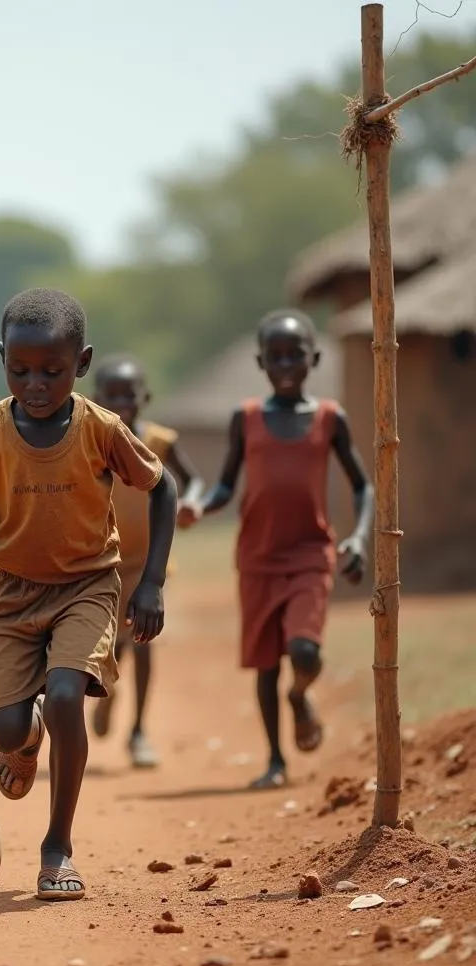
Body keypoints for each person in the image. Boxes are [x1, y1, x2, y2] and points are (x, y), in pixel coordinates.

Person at [0, 287, 177, 902]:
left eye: (53, 370)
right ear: (2, 360)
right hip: (14, 594)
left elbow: (162, 486)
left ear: (83, 362)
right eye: (20, 370)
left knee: (69, 693)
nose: (36, 383)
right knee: (3, 729)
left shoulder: (102, 428)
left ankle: (57, 847)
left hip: (87, 585)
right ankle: (26, 740)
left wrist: (150, 580)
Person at [178, 309, 372, 790]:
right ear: (261, 362)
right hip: (258, 558)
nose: (286, 365)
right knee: (266, 664)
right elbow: (225, 485)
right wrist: (200, 506)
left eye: (296, 355)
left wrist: (359, 537)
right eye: (276, 357)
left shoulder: (329, 419)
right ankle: (275, 759)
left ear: (315, 358)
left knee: (304, 652)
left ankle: (300, 696)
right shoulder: (246, 419)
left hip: (310, 553)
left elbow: (362, 486)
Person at [90, 355, 203, 768]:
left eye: (129, 395)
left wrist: (192, 502)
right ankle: (107, 692)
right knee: (103, 646)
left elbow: (192, 480)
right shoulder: (92, 441)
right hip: (101, 562)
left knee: (143, 642)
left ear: (145, 398)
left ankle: (138, 730)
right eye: (111, 396)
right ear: (96, 399)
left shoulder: (157, 442)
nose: (121, 403)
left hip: (147, 563)